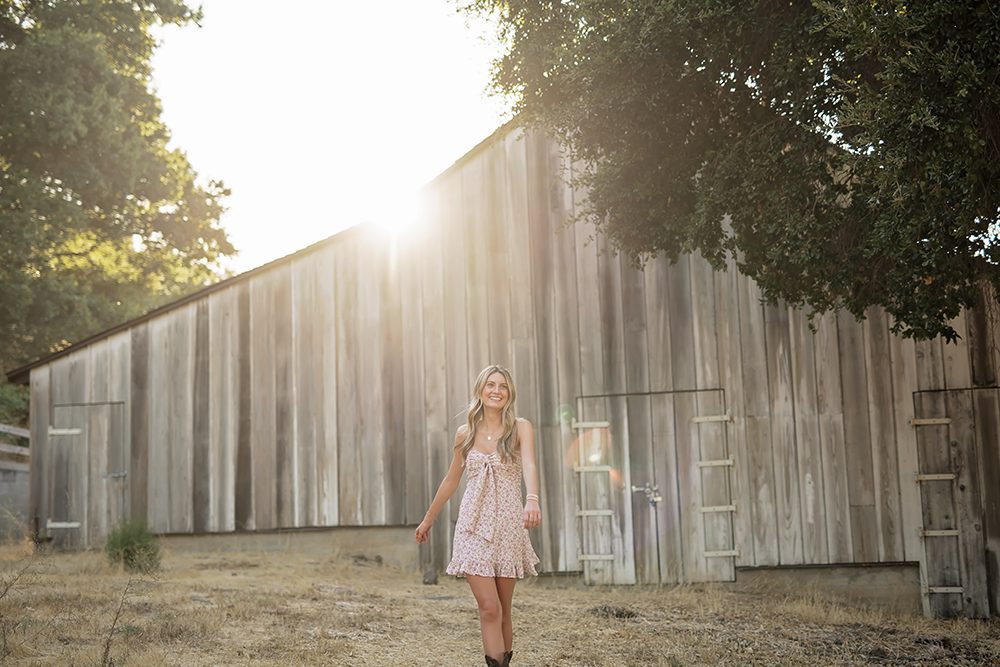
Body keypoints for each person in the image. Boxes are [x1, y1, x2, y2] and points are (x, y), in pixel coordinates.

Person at [415, 364, 541, 667]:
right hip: (473, 526)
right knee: (489, 607)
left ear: (510, 393)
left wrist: (532, 499)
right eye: (491, 385)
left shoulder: (520, 427)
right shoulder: (465, 433)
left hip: (508, 526)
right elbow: (451, 480)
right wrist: (429, 518)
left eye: (503, 386)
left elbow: (529, 465)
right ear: (480, 391)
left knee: (504, 610)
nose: (497, 391)